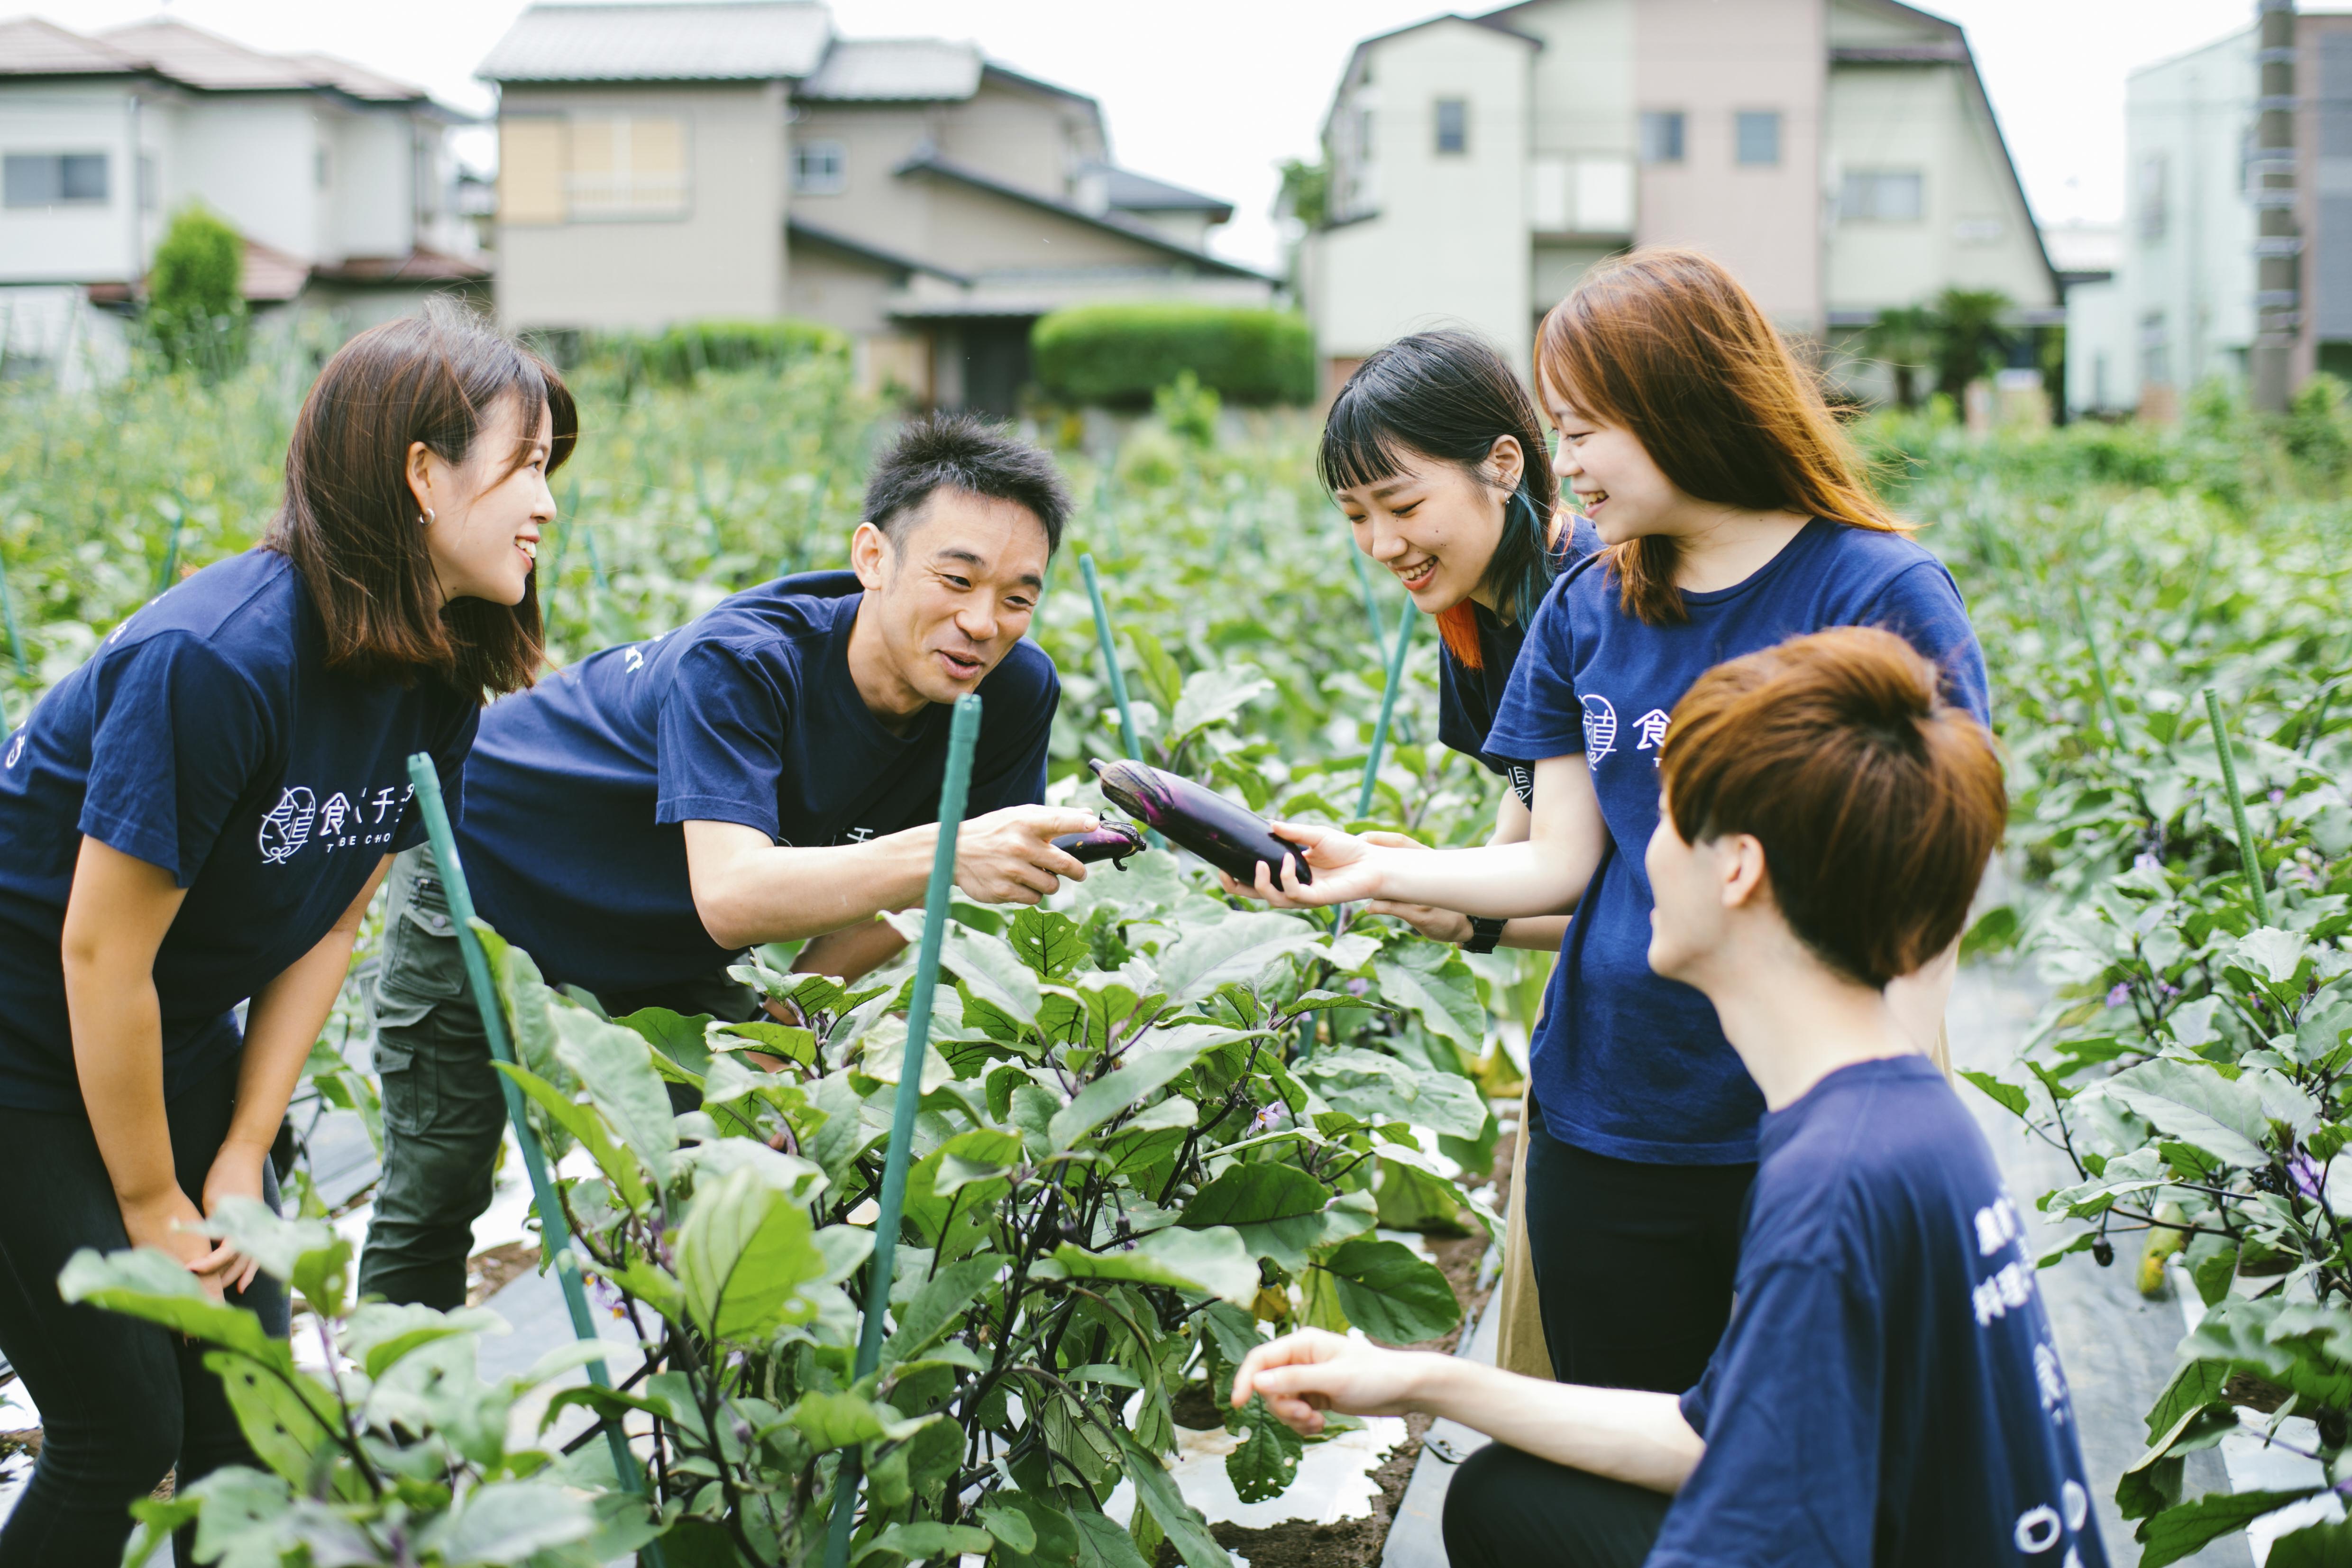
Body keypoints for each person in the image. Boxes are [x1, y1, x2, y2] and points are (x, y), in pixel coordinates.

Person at [1228, 247, 1989, 1397]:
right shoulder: (1591, 604)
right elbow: (1555, 865)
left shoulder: (1880, 591)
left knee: (1811, 1464)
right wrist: (1364, 873)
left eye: (1583, 431)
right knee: (1608, 1455)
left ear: (1692, 400)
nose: (1561, 461)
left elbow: (1930, 896)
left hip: (1797, 1115)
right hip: (1610, 1111)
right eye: (1560, 429)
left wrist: (1882, 1118)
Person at [1233, 626, 2104, 1568]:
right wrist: (1420, 1380)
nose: (1637, 860)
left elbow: (1761, 1528)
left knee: (1507, 1509)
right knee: (1506, 1495)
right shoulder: (1900, 1113)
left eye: (1662, 824)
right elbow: (1720, 1433)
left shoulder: (1829, 1180)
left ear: (1737, 867)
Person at [0, 305, 567, 1565]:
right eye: (525, 467)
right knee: (117, 1421)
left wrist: (244, 1149)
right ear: (424, 473)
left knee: (252, 1414)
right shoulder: (218, 660)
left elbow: (331, 911)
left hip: (169, 1025)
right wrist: (151, 1197)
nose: (544, 504)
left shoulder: (434, 667)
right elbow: (99, 954)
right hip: (21, 1033)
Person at [357, 413, 1099, 1310]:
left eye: (1018, 598)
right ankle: (397, 1433)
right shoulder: (745, 662)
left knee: (745, 1165)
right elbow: (738, 896)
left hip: (666, 930)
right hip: (487, 864)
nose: (983, 623)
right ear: (872, 557)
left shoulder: (1010, 692)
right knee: (438, 1183)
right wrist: (950, 850)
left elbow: (907, 902)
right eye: (956, 579)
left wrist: (788, 1022)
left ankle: (722, 1413)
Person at [1317, 330, 1599, 957]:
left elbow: (1601, 869)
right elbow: (1531, 813)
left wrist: (1415, 877)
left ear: (1502, 465)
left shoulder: (1593, 600)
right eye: (1356, 517)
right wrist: (1458, 905)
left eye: (1404, 506)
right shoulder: (1471, 612)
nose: (1382, 545)